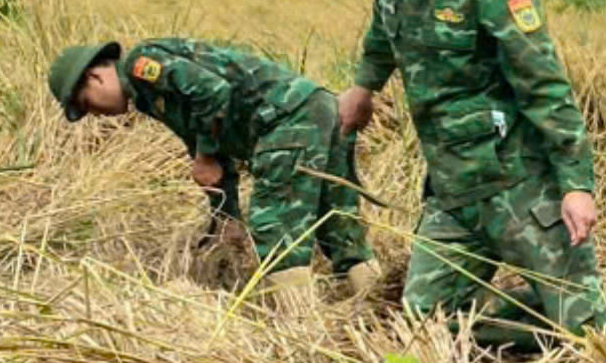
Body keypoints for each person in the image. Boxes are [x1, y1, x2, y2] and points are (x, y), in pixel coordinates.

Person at [336, 0, 606, 354]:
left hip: (520, 183)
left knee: (593, 339)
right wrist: (363, 86)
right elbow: (383, 28)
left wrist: (576, 185)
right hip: (453, 188)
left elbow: (546, 89)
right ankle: (538, 317)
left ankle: (565, 311)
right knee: (425, 331)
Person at [50, 37, 373, 301]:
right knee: (338, 220)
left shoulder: (141, 64)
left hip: (286, 117)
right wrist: (227, 214)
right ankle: (377, 303)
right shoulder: (147, 97)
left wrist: (204, 155)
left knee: (275, 224)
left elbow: (213, 92)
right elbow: (212, 151)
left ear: (95, 77)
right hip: (320, 109)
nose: (96, 114)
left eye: (87, 103)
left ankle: (301, 334)